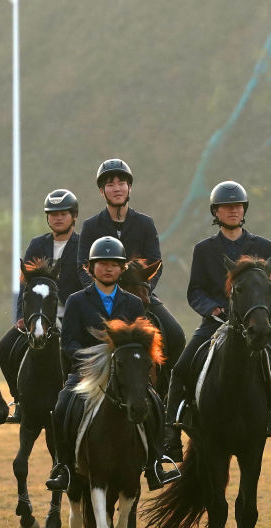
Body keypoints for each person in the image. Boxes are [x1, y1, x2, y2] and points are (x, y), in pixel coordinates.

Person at [161, 181, 271, 469]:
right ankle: (170, 438)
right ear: (216, 212)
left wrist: (259, 315)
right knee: (180, 369)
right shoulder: (204, 249)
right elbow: (195, 291)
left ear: (243, 210)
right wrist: (213, 309)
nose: (232, 211)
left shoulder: (263, 246)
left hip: (253, 325)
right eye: (226, 207)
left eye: (237, 206)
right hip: (215, 323)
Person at [45, 236, 181, 492]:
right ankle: (63, 465)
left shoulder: (133, 303)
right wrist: (92, 359)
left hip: (125, 374)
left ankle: (155, 462)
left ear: (122, 269)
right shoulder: (76, 301)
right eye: (102, 263)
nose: (108, 268)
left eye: (113, 264)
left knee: (154, 403)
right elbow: (69, 342)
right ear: (90, 267)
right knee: (62, 405)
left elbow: (143, 340)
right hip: (86, 373)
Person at [78, 158, 185, 395]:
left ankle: (170, 397)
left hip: (140, 295)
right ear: (101, 190)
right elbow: (81, 267)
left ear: (129, 188)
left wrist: (143, 289)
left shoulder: (145, 223)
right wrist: (98, 293)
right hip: (102, 298)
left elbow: (157, 262)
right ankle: (72, 391)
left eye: (122, 182)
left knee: (176, 335)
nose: (117, 187)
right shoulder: (90, 226)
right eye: (110, 183)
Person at [0, 188, 84, 423]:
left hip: (71, 317)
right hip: (37, 316)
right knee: (3, 349)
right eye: (53, 213)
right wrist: (19, 314)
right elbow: (24, 284)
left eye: (63, 213)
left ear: (74, 216)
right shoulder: (37, 244)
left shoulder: (83, 245)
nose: (58, 217)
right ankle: (20, 401)